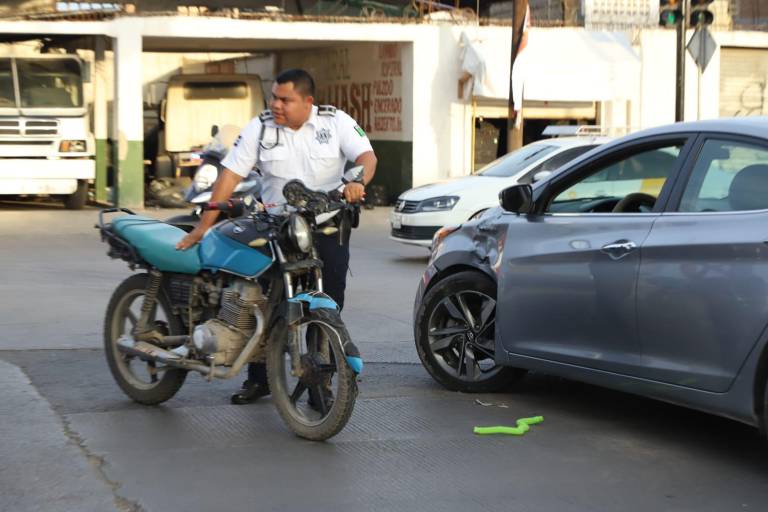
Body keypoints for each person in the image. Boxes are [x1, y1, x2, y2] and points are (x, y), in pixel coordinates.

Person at [176, 68, 377, 404]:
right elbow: (231, 174)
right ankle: (260, 378)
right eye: (274, 97)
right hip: (275, 227)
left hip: (326, 225)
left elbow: (367, 157)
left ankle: (320, 382)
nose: (276, 105)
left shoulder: (335, 122)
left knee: (328, 303)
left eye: (285, 99)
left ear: (307, 101)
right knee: (264, 299)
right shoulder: (261, 126)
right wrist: (204, 225)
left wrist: (357, 181)